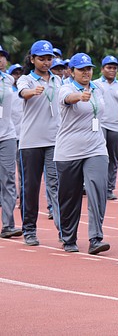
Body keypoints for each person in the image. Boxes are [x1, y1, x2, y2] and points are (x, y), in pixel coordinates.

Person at [55, 53, 110, 254]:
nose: (86, 72)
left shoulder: (98, 88)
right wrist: (79, 96)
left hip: (96, 147)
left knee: (97, 189)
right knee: (70, 196)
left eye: (89, 69)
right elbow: (67, 99)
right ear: (72, 71)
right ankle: (68, 237)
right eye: (81, 69)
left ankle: (96, 238)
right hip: (69, 151)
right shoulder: (66, 88)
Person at [17, 40, 63, 246]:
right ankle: (29, 229)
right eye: (41, 59)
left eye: (49, 58)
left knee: (56, 185)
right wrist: (32, 91)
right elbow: (23, 92)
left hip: (55, 140)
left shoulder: (58, 80)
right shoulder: (26, 79)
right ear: (32, 59)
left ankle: (64, 230)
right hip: (31, 142)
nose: (46, 62)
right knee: (31, 187)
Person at [95, 55, 118, 200]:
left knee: (113, 158)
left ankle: (108, 188)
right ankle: (96, 186)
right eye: (109, 67)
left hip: (116, 126)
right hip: (100, 124)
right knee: (99, 156)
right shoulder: (95, 84)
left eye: (114, 68)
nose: (112, 70)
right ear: (102, 69)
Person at [0, 63, 20, 239]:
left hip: (7, 135)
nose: (0, 60)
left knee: (8, 179)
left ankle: (8, 225)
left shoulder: (8, 79)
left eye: (2, 57)